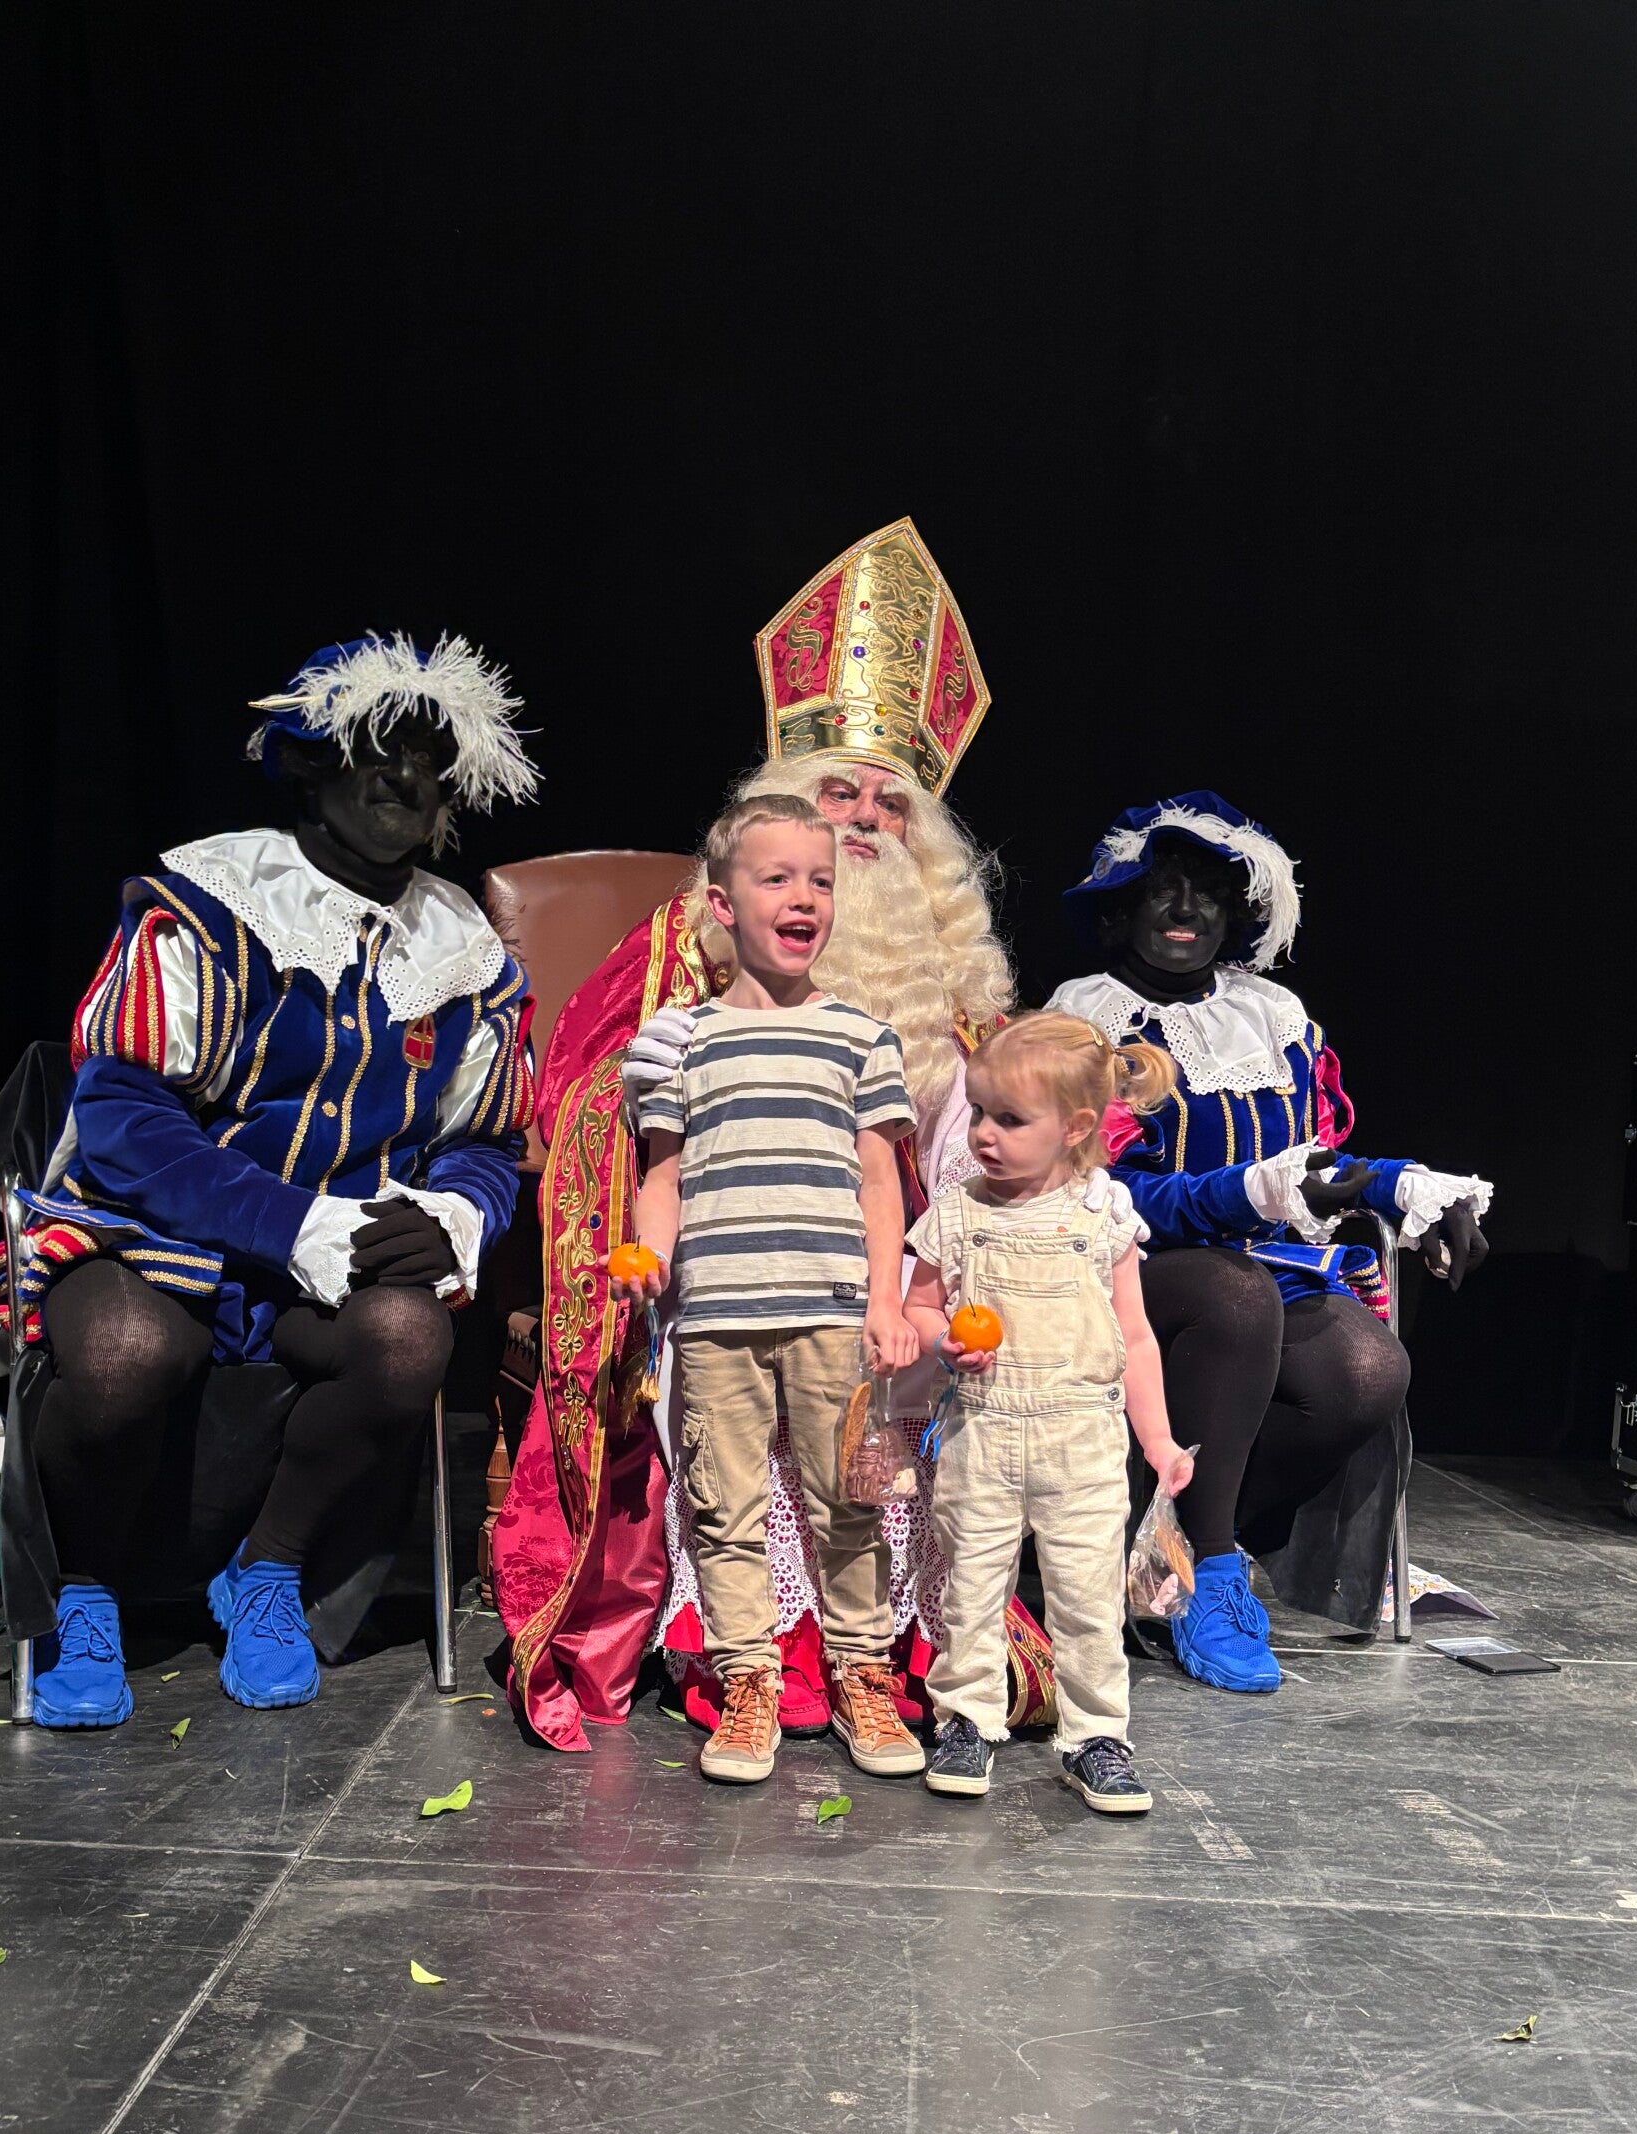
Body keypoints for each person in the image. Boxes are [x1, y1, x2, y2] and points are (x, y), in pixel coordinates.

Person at [491, 520, 1062, 1750]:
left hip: (881, 1297)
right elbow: (594, 1101)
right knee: (728, 1473)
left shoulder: (951, 994)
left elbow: (976, 1152)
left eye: (890, 806)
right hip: (725, 1284)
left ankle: (873, 1653)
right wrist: (654, 1241)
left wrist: (936, 1270)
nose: (861, 824)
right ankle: (750, 1653)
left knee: (879, 1449)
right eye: (836, 796)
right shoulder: (681, 966)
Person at [0, 633, 539, 1727]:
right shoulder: (209, 902)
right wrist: (287, 1223)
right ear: (313, 767)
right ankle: (84, 1588)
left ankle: (268, 1568)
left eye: (430, 761)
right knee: (126, 1351)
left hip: (334, 1254)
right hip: (150, 1234)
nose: (404, 777)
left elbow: (484, 1135)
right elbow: (122, 1117)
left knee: (408, 1336)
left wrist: (458, 1210)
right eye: (375, 750)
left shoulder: (464, 951)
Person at [1050, 791, 1492, 1692]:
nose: (1187, 909)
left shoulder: (1274, 1017)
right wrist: (1249, 1193)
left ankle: (1171, 1543)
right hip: (1124, 1269)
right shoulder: (1085, 1020)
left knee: (1368, 1373)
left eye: (1210, 892)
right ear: (1120, 911)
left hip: (1258, 1266)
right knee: (1236, 1294)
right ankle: (1209, 1577)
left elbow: (1314, 1155)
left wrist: (1402, 1184)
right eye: (1163, 889)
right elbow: (1096, 1189)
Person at [614, 793, 924, 1783]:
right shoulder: (686, 1039)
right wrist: (648, 1257)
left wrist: (886, 1300)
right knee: (724, 1503)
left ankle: (862, 1670)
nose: (804, 898)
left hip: (833, 1311)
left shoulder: (862, 1037)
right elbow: (662, 1175)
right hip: (716, 1315)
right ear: (723, 903)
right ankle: (746, 1675)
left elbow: (882, 1181)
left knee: (851, 1502)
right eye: (777, 878)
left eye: (820, 881)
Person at [904, 1015, 1192, 1806]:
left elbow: (1135, 1336)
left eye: (1010, 1119)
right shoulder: (957, 1212)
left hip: (1082, 1439)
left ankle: (1096, 1735)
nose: (985, 1134)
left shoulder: (1103, 1213)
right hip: (983, 1432)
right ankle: (965, 1721)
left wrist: (1159, 1440)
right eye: (979, 1113)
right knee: (971, 1592)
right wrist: (941, 1343)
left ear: (1074, 1128)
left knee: (1087, 1600)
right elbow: (920, 1306)